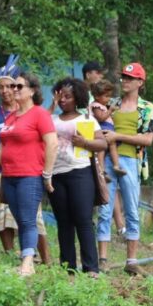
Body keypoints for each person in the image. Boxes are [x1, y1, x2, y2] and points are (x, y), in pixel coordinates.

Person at [0, 72, 57, 276]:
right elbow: (2, 146)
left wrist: (47, 173)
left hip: (30, 175)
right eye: (13, 86)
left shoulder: (39, 114)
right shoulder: (10, 116)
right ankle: (29, 260)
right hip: (9, 176)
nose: (14, 90)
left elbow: (52, 143)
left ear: (32, 90)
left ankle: (27, 262)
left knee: (27, 220)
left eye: (19, 86)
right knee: (20, 220)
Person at [98, 62, 153, 276]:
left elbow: (148, 139)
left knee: (132, 209)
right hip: (107, 159)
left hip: (132, 160)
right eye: (124, 77)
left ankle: (131, 260)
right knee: (105, 208)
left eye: (130, 78)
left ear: (140, 82)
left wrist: (118, 137)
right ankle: (102, 259)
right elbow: (98, 124)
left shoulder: (148, 108)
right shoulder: (113, 102)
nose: (125, 81)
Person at [48, 78, 107, 276]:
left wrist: (85, 142)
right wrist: (52, 104)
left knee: (83, 219)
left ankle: (91, 268)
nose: (63, 100)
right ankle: (68, 268)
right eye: (60, 95)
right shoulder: (52, 120)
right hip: (56, 174)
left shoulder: (86, 120)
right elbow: (38, 129)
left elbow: (102, 144)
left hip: (80, 173)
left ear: (77, 98)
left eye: (68, 96)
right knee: (63, 222)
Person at [90, 80, 126, 180]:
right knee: (102, 149)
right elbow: (100, 118)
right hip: (102, 129)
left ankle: (116, 165)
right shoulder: (95, 106)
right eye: (106, 96)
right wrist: (110, 110)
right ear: (97, 96)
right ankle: (102, 170)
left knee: (112, 145)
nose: (108, 99)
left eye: (109, 96)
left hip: (108, 129)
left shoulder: (102, 105)